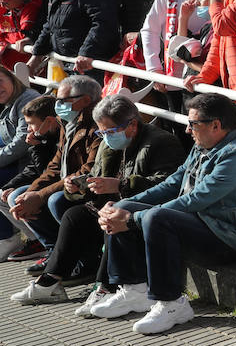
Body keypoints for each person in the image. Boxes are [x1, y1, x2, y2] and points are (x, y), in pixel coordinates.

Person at [91, 93, 236, 335]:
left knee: (156, 217)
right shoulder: (203, 145)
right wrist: (125, 205)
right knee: (125, 209)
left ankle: (172, 304)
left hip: (227, 238)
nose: (187, 130)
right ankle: (135, 290)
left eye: (193, 124)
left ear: (216, 125)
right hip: (199, 224)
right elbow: (172, 184)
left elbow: (197, 198)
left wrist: (133, 220)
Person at [12, 94, 183, 306]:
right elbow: (95, 175)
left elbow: (168, 184)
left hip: (140, 207)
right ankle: (50, 281)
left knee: (113, 214)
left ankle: (105, 286)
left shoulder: (161, 142)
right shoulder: (107, 143)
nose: (106, 137)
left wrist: (119, 185)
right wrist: (79, 185)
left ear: (132, 124)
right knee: (74, 215)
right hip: (110, 203)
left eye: (110, 131)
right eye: (102, 132)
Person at [4, 75, 101, 275]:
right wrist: (30, 193)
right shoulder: (69, 122)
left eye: (63, 101)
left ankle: (84, 259)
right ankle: (54, 250)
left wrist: (39, 196)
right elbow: (54, 167)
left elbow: (86, 171)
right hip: (66, 183)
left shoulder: (97, 125)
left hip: (89, 187)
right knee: (18, 196)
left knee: (55, 200)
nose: (58, 106)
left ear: (84, 101)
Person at [0, 95, 59, 262]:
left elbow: (48, 172)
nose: (29, 129)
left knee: (18, 197)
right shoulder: (42, 136)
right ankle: (35, 240)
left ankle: (52, 247)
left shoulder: (58, 136)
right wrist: (10, 185)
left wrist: (36, 147)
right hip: (45, 180)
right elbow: (33, 169)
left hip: (57, 184)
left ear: (48, 121)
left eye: (32, 123)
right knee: (3, 193)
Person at [0, 63, 39, 258]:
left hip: (31, 163)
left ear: (11, 78)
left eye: (0, 81)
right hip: (17, 162)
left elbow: (22, 143)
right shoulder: (6, 104)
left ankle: (28, 238)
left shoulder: (27, 100)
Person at [0, 0, 41, 69]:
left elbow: (23, 36)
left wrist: (6, 38)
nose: (2, 4)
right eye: (0, 1)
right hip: (7, 67)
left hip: (27, 67)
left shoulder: (31, 8)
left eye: (5, 1)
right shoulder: (3, 9)